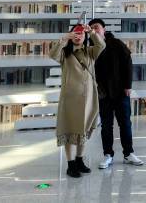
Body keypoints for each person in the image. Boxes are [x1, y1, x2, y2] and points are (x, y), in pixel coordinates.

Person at [49, 23, 106, 178]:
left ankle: (80, 160)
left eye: (81, 34)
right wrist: (63, 39)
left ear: (84, 36)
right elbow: (52, 54)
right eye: (75, 33)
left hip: (89, 98)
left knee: (84, 129)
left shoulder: (90, 52)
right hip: (70, 99)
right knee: (68, 130)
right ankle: (70, 164)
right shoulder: (64, 55)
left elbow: (101, 44)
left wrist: (92, 32)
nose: (78, 36)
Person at [89, 18, 144, 168]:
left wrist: (128, 85)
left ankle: (128, 153)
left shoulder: (116, 43)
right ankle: (108, 155)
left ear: (104, 29)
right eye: (91, 28)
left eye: (97, 27)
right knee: (106, 126)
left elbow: (128, 63)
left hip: (121, 92)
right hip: (103, 94)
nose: (94, 30)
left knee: (125, 124)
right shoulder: (91, 48)